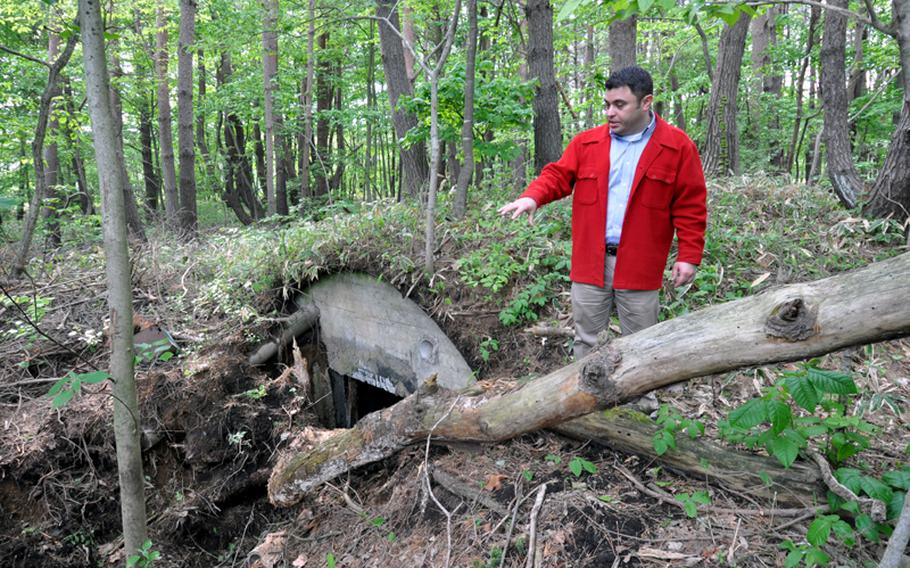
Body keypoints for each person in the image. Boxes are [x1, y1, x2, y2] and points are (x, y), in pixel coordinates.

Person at [499, 66, 707, 360]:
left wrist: (688, 255)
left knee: (641, 345)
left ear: (646, 103)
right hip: (590, 262)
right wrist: (533, 197)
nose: (610, 112)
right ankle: (586, 402)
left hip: (640, 263)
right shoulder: (587, 143)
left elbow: (690, 205)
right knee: (586, 342)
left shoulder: (677, 146)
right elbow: (557, 176)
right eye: (607, 105)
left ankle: (640, 405)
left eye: (620, 105)